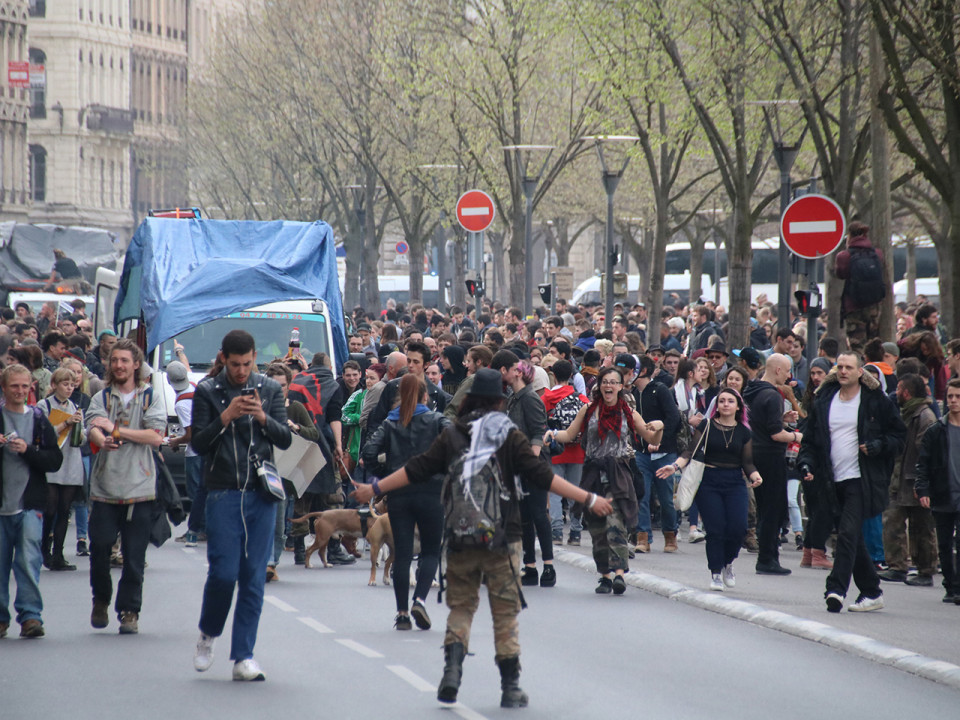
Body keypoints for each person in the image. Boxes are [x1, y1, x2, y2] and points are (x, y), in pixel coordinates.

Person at [353, 368, 613, 708]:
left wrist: (374, 488)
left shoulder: (453, 435)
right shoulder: (510, 436)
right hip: (504, 538)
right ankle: (509, 686)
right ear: (499, 401)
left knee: (461, 608)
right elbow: (542, 476)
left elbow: (417, 468)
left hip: (461, 536)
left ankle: (452, 670)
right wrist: (589, 498)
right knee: (504, 614)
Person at [190, 330, 292, 681]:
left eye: (247, 363)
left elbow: (285, 438)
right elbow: (199, 444)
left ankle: (243, 656)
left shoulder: (271, 389)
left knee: (253, 577)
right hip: (223, 491)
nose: (241, 371)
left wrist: (262, 417)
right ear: (224, 359)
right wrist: (227, 416)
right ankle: (208, 632)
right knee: (223, 573)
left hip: (262, 492)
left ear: (254, 357)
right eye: (235, 365)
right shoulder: (207, 391)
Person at [798, 352, 906, 613]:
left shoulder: (875, 401)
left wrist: (877, 445)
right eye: (840, 366)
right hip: (830, 480)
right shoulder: (825, 399)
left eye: (849, 367)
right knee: (852, 538)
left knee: (846, 533)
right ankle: (871, 591)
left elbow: (899, 436)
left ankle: (835, 589)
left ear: (860, 372)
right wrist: (806, 464)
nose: (844, 371)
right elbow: (811, 440)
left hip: (861, 479)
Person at [545, 367, 664, 594]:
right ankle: (605, 577)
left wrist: (659, 428)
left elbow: (651, 437)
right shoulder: (588, 410)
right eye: (604, 382)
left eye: (613, 382)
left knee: (615, 523)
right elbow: (569, 435)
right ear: (599, 386)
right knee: (598, 529)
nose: (608, 386)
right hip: (591, 474)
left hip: (618, 474)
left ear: (621, 386)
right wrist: (551, 434)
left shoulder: (629, 412)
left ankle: (619, 574)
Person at [85, 339, 167, 634]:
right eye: (114, 360)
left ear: (136, 364)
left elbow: (156, 436)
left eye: (124, 360)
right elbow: (92, 426)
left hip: (140, 487)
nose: (118, 365)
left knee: (134, 556)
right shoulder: (102, 397)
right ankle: (101, 599)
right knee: (100, 549)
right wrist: (101, 438)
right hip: (105, 487)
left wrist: (117, 430)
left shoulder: (150, 398)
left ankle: (130, 610)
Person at [363, 373, 450, 630]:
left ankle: (401, 613)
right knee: (431, 551)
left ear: (400, 396)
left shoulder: (390, 422)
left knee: (401, 554)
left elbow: (369, 452)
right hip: (433, 492)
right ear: (425, 396)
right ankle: (420, 600)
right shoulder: (436, 420)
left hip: (399, 494)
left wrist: (385, 476)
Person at [659, 388, 761, 590]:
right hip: (709, 480)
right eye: (721, 401)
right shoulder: (706, 426)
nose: (725, 404)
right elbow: (690, 450)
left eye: (730, 401)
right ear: (716, 405)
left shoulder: (744, 432)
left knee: (738, 528)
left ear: (738, 406)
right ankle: (715, 572)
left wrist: (754, 474)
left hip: (734, 481)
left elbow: (747, 462)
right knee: (715, 529)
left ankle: (728, 562)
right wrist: (675, 466)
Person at [0, 364, 62, 639]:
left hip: (30, 503)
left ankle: (30, 616)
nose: (20, 391)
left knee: (28, 560)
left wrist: (28, 450)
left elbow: (54, 460)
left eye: (25, 386)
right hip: (3, 505)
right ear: (4, 388)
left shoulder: (38, 418)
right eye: (15, 386)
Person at [493, 353, 554, 587]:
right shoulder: (513, 398)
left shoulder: (529, 398)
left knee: (539, 515)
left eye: (503, 369)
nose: (501, 374)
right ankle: (530, 567)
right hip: (517, 467)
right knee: (525, 518)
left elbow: (539, 432)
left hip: (533, 467)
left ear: (516, 371)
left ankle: (548, 566)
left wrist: (531, 464)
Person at [878, 374, 938, 587]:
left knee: (922, 527)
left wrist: (922, 483)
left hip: (915, 481)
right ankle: (897, 566)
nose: (896, 394)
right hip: (899, 478)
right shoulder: (906, 414)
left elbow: (927, 453)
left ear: (906, 392)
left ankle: (926, 570)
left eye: (900, 389)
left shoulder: (924, 417)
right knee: (892, 521)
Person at [743, 354, 800, 575]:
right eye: (787, 371)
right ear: (777, 370)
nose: (789, 376)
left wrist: (781, 418)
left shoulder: (752, 390)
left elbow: (759, 421)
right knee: (772, 509)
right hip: (770, 455)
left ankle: (767, 557)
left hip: (753, 453)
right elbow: (776, 435)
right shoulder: (773, 395)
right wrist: (797, 436)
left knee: (765, 507)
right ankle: (767, 559)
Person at [262, 363, 317, 583]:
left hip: (283, 472)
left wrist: (296, 428)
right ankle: (257, 559)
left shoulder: (294, 407)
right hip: (258, 469)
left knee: (277, 520)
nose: (279, 389)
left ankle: (271, 563)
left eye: (283, 386)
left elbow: (314, 433)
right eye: (275, 385)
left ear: (288, 386)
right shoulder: (259, 406)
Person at [916, 378, 960, 603]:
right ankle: (950, 585)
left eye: (958, 397)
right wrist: (923, 488)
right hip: (943, 493)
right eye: (950, 396)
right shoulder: (937, 431)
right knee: (944, 542)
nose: (953, 401)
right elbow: (923, 462)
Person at [633, 355, 682, 553]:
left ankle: (670, 534)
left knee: (666, 499)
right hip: (641, 453)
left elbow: (674, 418)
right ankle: (643, 537)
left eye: (631, 370)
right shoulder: (632, 394)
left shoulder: (660, 390)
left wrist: (659, 440)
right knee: (641, 496)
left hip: (664, 454)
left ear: (642, 371)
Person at [38, 368, 86, 571]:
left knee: (64, 510)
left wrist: (81, 430)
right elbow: (43, 433)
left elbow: (81, 437)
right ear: (55, 385)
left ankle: (59, 555)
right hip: (52, 463)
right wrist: (66, 422)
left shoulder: (75, 406)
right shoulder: (45, 405)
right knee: (50, 509)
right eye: (65, 384)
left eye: (72, 384)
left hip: (70, 461)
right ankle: (44, 550)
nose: (69, 388)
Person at [542, 360, 588, 546]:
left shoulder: (546, 398)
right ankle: (576, 532)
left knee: (554, 492)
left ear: (553, 375)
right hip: (577, 451)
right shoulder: (581, 399)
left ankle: (557, 532)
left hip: (555, 450)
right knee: (575, 491)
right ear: (571, 376)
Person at [166, 361, 205, 547]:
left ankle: (197, 529)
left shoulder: (181, 403)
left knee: (195, 492)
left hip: (194, 452)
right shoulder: (194, 387)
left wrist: (175, 441)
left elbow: (190, 434)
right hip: (204, 448)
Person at [836, 221, 886, 354]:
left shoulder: (844, 256)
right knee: (874, 346)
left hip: (854, 306)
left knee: (858, 347)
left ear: (849, 236)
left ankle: (860, 371)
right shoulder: (877, 253)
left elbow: (841, 273)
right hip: (874, 306)